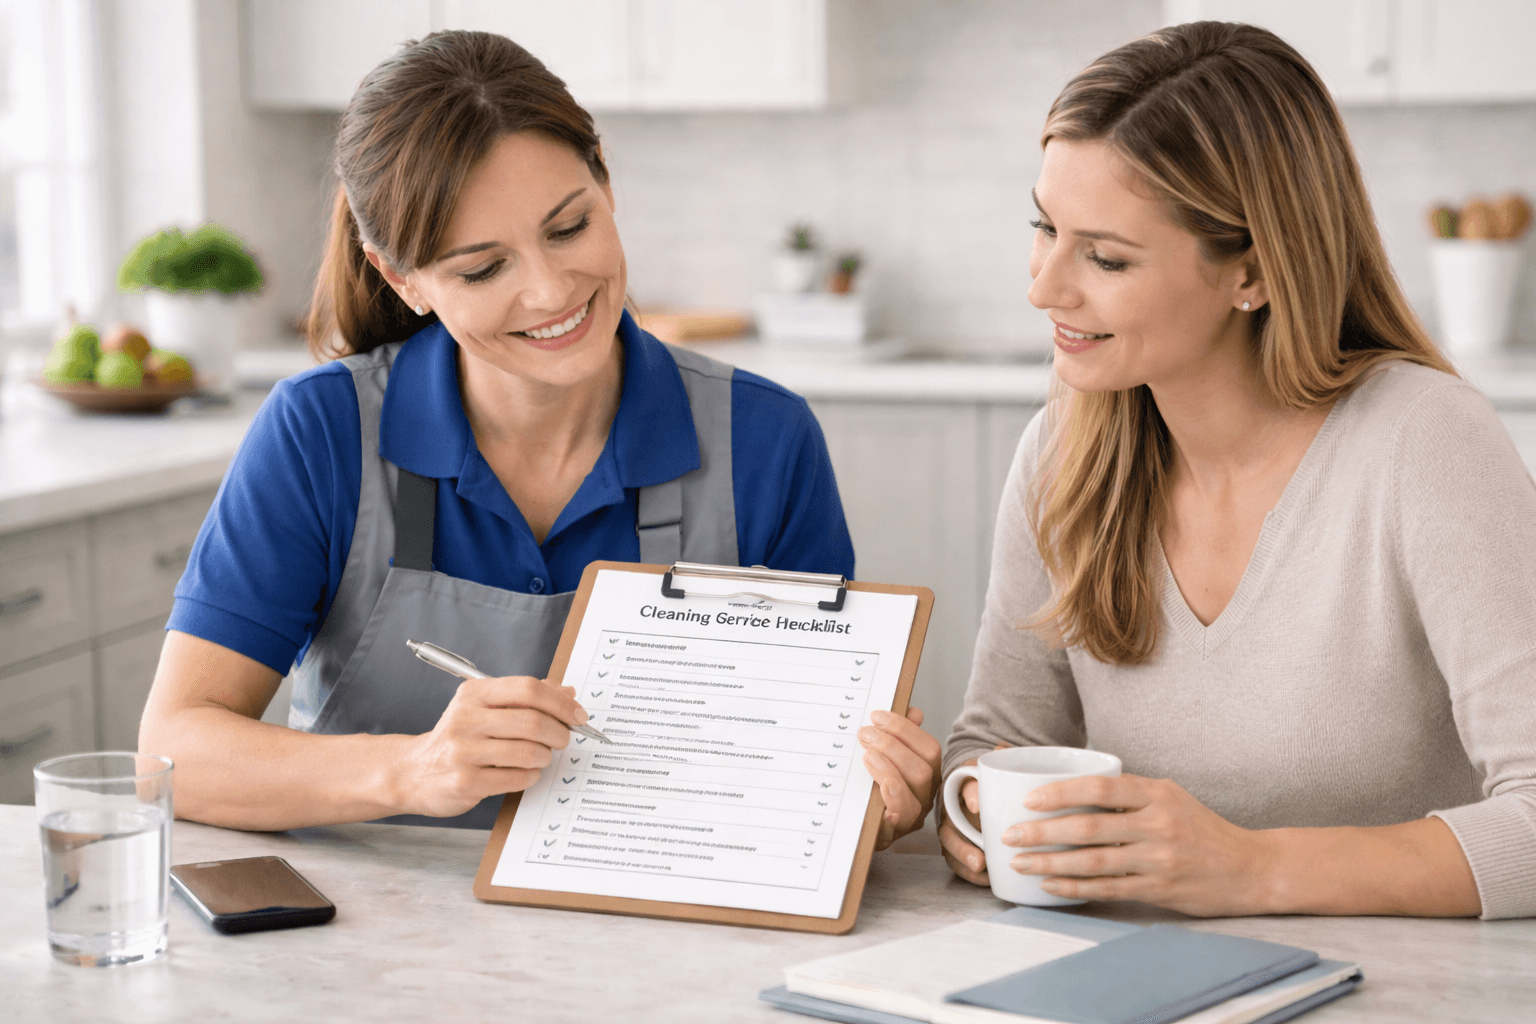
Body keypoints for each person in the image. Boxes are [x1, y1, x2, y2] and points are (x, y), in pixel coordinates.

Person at [140, 30, 941, 838]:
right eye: (482, 269)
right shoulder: (320, 431)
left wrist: (871, 803)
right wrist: (414, 770)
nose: (552, 290)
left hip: (670, 929)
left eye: (568, 228)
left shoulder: (765, 438)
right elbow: (171, 755)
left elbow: (809, 766)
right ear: (401, 280)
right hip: (380, 939)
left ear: (605, 178)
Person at [940, 21, 1536, 920]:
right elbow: (1000, 738)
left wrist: (1252, 870)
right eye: (1044, 228)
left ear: (1250, 273)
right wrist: (981, 811)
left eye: (1104, 256)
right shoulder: (1064, 451)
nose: (1045, 287)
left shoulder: (1424, 443)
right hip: (1124, 981)